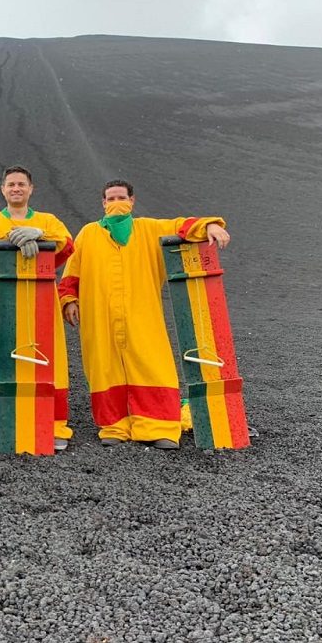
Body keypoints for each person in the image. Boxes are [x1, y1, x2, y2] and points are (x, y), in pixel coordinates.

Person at [59, 179, 230, 449]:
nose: (116, 203)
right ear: (103, 203)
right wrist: (68, 300)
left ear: (132, 201)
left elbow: (181, 226)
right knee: (104, 368)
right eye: (111, 199)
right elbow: (72, 272)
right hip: (98, 315)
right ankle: (114, 427)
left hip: (142, 312)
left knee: (151, 364)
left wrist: (210, 225)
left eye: (121, 198)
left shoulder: (148, 229)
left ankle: (158, 426)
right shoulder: (88, 234)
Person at [0, 165, 75, 451]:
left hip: (41, 306)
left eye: (21, 184)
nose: (16, 188)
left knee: (46, 359)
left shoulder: (47, 220)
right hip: (2, 305)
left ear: (31, 189)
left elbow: (66, 245)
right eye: (11, 184)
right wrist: (8, 241)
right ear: (2, 189)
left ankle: (52, 426)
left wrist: (40, 235)